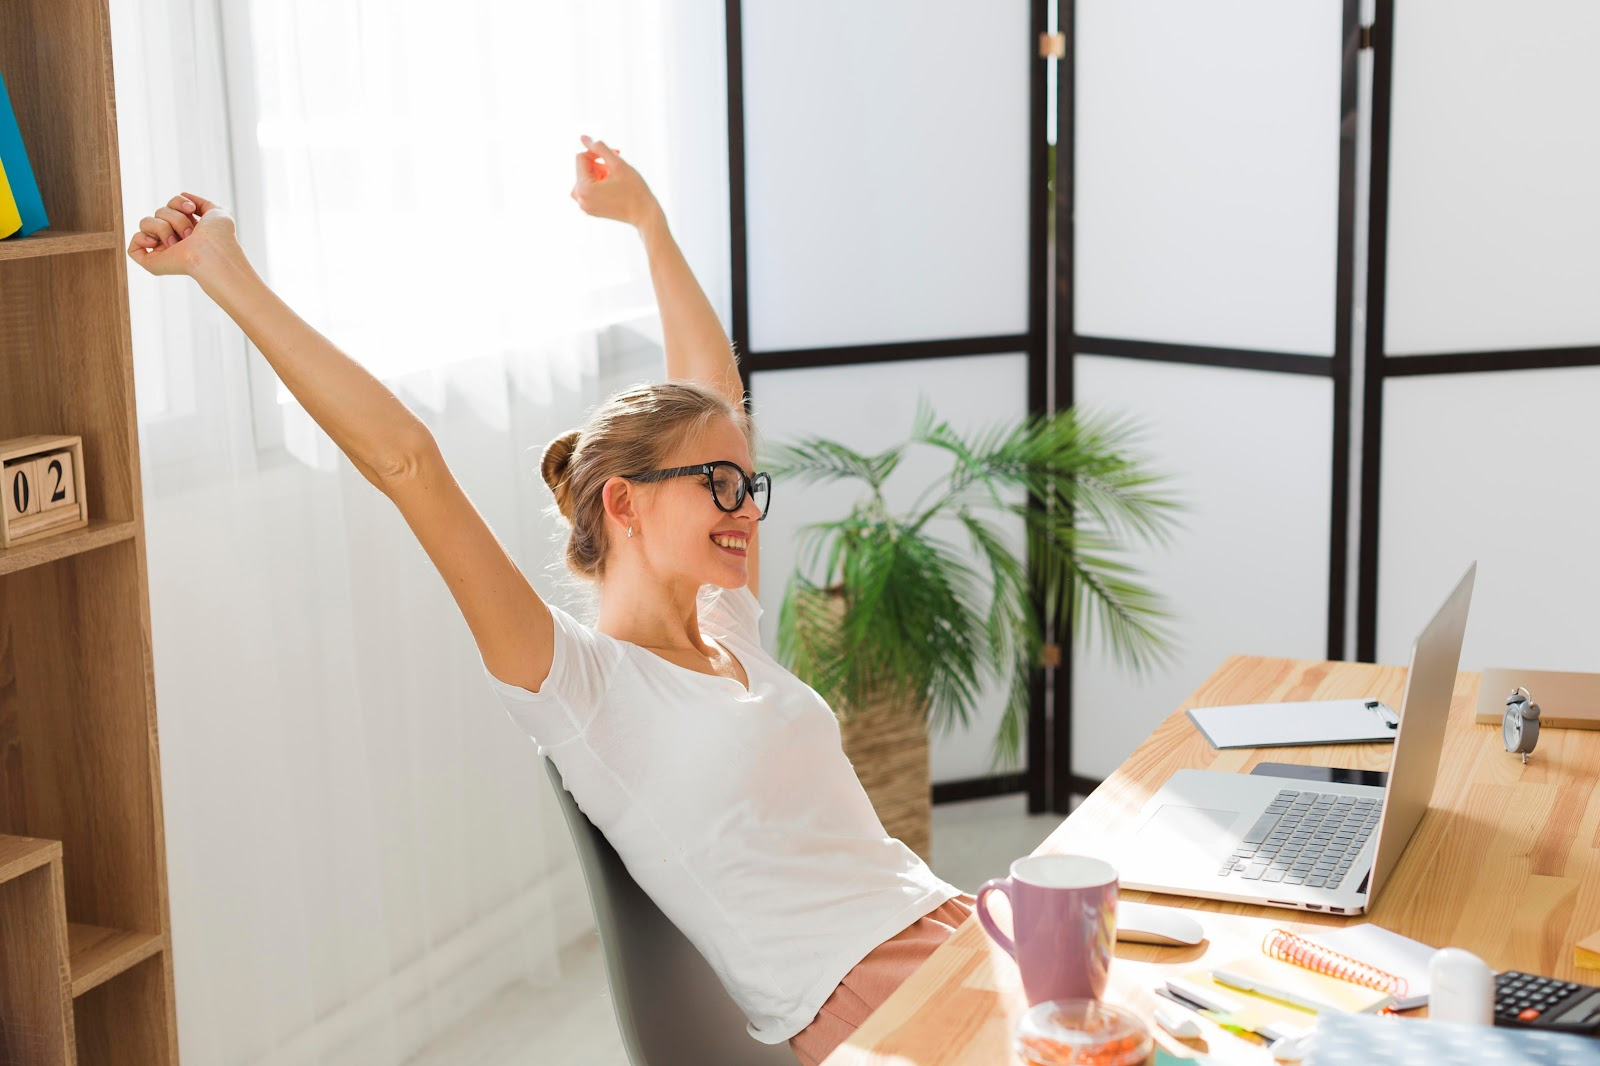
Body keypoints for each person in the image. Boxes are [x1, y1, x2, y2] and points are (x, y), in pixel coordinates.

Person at [128, 137, 974, 1065]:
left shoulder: (730, 627)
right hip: (862, 1000)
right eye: (719, 487)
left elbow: (715, 391)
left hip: (952, 927)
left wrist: (647, 221)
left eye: (749, 486)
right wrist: (221, 267)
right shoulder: (579, 686)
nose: (745, 510)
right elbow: (408, 462)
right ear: (625, 502)